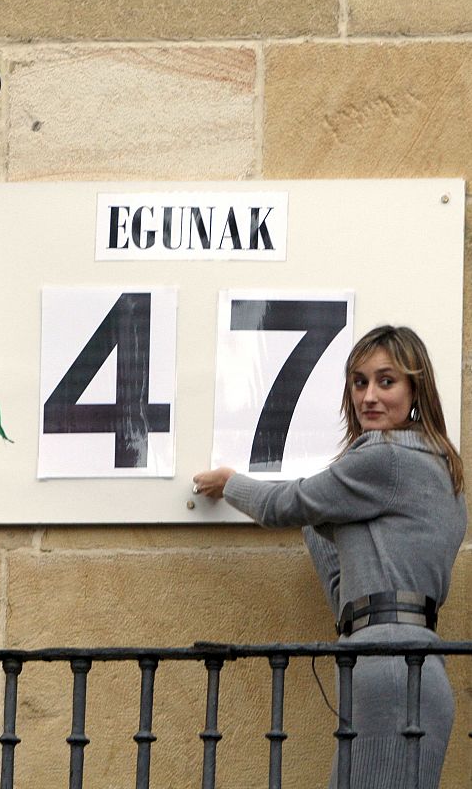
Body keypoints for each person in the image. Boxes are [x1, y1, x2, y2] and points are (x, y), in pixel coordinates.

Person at [193, 325, 466, 789]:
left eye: (386, 381)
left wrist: (230, 483)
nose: (369, 397)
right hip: (408, 663)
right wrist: (324, 516)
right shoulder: (441, 466)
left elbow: (287, 504)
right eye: (359, 383)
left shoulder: (385, 455)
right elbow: (339, 572)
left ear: (415, 389)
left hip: (386, 667)